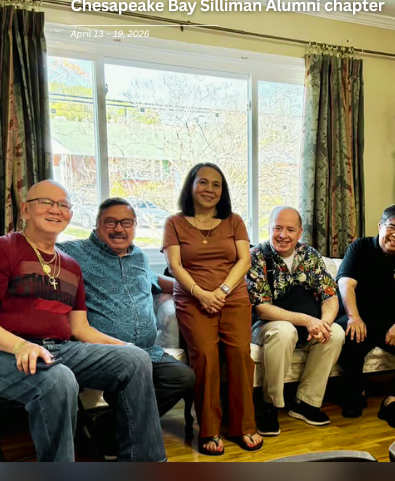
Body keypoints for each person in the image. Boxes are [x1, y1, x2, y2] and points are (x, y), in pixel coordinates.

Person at [0, 181, 165, 461]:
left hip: (59, 349)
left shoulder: (70, 265)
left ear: (70, 215)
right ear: (25, 209)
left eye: (63, 205)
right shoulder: (6, 249)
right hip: (9, 350)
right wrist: (20, 346)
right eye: (46, 202)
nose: (56, 210)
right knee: (58, 379)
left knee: (135, 359)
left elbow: (80, 329)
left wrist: (126, 347)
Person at [58, 197, 195, 452]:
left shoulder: (139, 255)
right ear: (97, 224)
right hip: (104, 350)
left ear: (135, 225)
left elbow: (152, 278)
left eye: (126, 222)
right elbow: (40, 252)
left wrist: (188, 288)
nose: (119, 228)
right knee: (129, 380)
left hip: (147, 350)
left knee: (182, 377)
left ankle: (107, 429)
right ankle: (123, 442)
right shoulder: (74, 253)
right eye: (110, 222)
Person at [163, 163, 261, 456]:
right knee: (205, 356)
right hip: (193, 299)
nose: (209, 189)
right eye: (203, 182)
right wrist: (201, 294)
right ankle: (209, 429)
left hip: (233, 296)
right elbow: (174, 265)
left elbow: (244, 261)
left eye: (216, 185)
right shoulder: (174, 223)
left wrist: (222, 291)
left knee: (240, 355)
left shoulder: (234, 221)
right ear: (191, 186)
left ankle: (243, 425)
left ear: (223, 191)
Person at [246, 206, 344, 436]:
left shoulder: (309, 255)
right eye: (277, 228)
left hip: (304, 325)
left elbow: (329, 295)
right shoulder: (257, 256)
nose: (283, 235)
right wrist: (308, 320)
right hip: (265, 325)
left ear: (299, 233)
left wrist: (324, 324)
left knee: (336, 333)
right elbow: (261, 308)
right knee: (284, 330)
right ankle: (270, 406)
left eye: (290, 229)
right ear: (269, 229)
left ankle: (306, 403)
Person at [336, 205, 395, 429]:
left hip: (391, 325)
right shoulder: (360, 247)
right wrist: (354, 317)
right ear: (380, 227)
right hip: (361, 319)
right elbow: (345, 282)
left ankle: (394, 399)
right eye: (392, 227)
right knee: (346, 331)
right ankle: (357, 392)